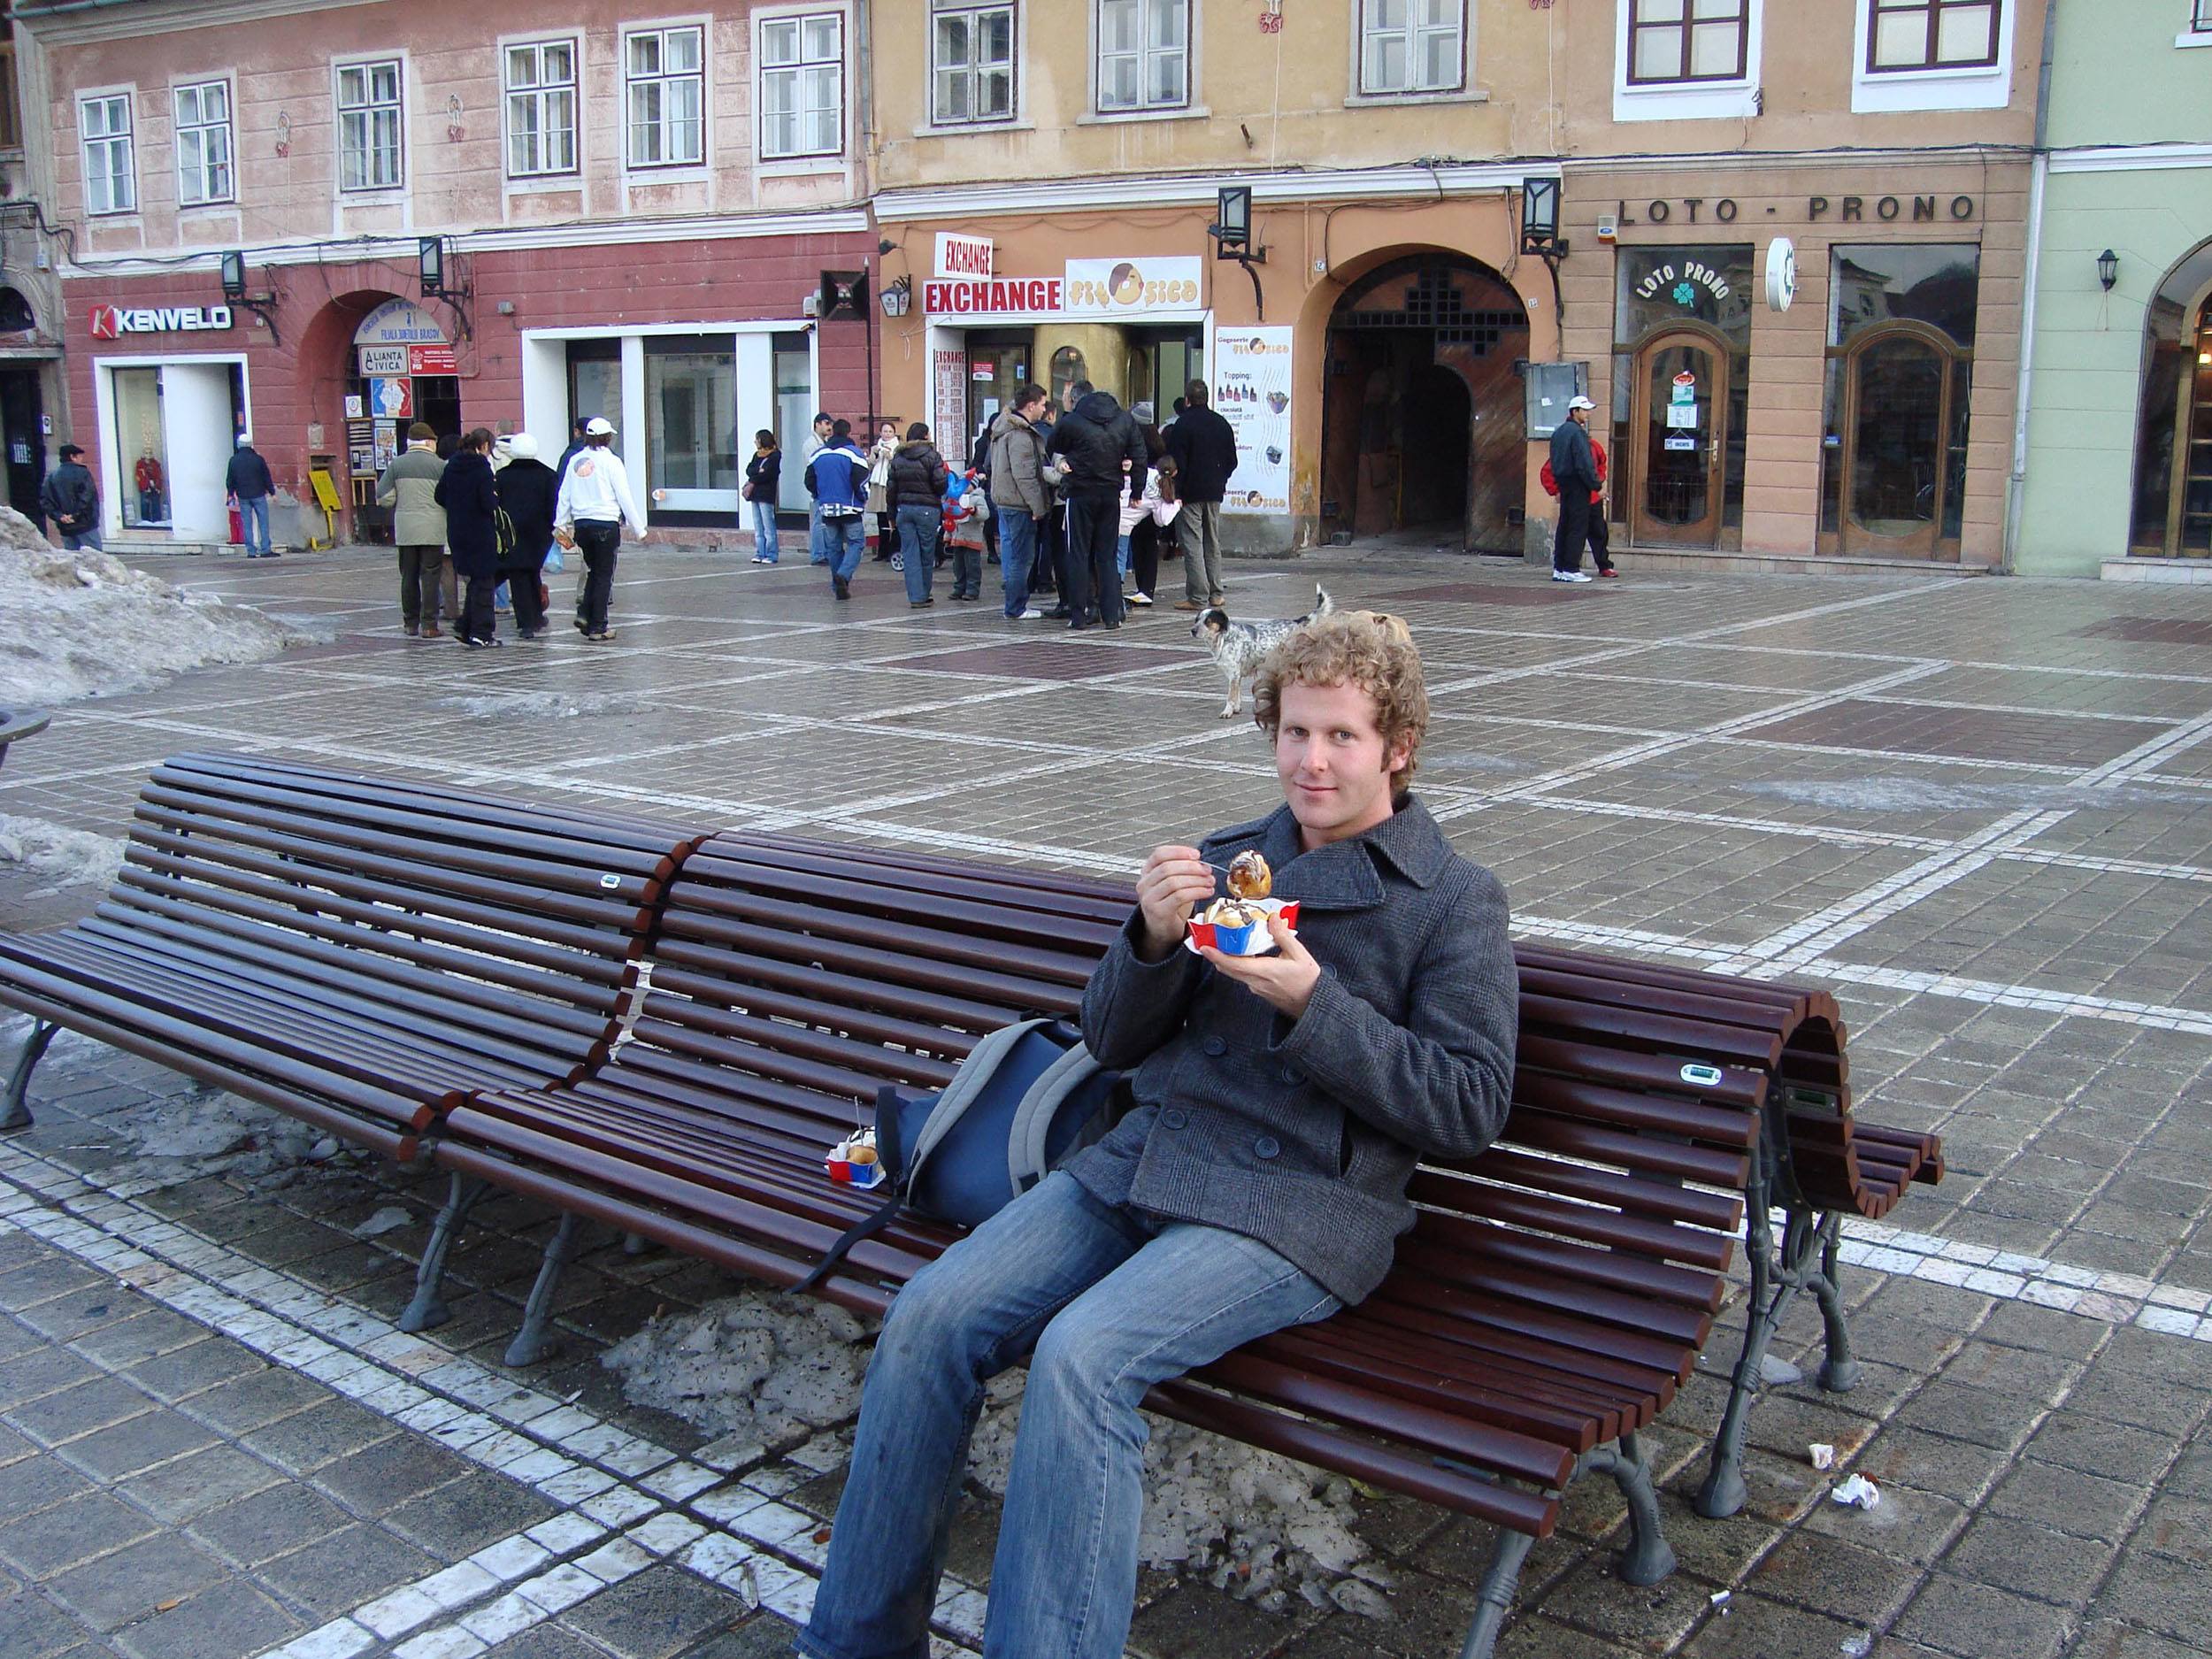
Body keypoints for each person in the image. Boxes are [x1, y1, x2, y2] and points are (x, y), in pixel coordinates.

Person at [800, 611, 1517, 1659]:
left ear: (1397, 748)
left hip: (1300, 1204)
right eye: (1294, 733)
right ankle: (852, 1645)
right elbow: (1110, 1040)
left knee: (1083, 1360)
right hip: (1142, 1164)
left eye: (1342, 738)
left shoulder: (1452, 903)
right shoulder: (1227, 862)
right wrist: (1145, 938)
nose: (1312, 762)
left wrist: (1313, 1002)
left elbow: (1466, 1107)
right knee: (929, 1315)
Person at [1047, 380, 1147, 632]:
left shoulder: (1073, 420)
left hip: (1080, 492)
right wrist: (1136, 490)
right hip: (1111, 493)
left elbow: (1053, 445)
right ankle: (1111, 615)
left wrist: (1065, 462)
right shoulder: (1124, 420)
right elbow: (1139, 454)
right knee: (1107, 556)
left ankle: (1079, 615)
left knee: (1077, 554)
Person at [554, 415, 646, 641]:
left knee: (594, 571)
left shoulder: (576, 460)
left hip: (582, 525)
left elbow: (564, 494)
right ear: (607, 438)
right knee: (604, 575)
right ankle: (598, 625)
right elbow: (623, 495)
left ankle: (586, 613)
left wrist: (560, 522)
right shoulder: (612, 462)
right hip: (606, 523)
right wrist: (639, 527)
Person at [1165, 380, 1236, 611]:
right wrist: (1220, 478)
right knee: (1212, 541)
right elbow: (1231, 461)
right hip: (1214, 491)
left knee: (1192, 542)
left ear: (1187, 400)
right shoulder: (1221, 423)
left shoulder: (1182, 425)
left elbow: (1177, 462)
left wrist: (1179, 487)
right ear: (1206, 398)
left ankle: (1197, 596)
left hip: (1190, 492)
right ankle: (1217, 594)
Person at [988, 382, 1052, 621]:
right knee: (1022, 559)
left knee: (1015, 555)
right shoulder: (1019, 435)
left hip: (1006, 500)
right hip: (1018, 503)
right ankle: (1015, 607)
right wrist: (1038, 506)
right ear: (1031, 405)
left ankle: (1014, 605)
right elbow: (1025, 475)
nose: (1044, 410)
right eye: (1043, 405)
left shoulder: (1004, 428)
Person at [377, 422, 448, 637]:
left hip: (406, 530)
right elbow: (449, 496)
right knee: (430, 576)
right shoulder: (441, 466)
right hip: (433, 528)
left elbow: (383, 497)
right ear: (428, 442)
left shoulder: (396, 465)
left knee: (408, 576)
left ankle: (410, 623)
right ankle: (429, 625)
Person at [434, 429, 503, 648]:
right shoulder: (482, 469)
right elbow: (488, 504)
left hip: (457, 530)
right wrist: (494, 498)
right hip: (480, 532)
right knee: (484, 582)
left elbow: (439, 495)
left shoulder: (452, 466)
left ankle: (466, 628)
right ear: (483, 446)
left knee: (474, 581)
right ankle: (481, 633)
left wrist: (457, 507)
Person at [495, 433, 560, 640]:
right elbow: (553, 506)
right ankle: (536, 616)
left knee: (518, 577)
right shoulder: (548, 474)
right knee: (533, 573)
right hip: (539, 533)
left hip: (512, 533)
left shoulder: (503, 475)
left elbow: (498, 505)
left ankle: (526, 623)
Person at [1540, 423, 1617, 581]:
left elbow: (1601, 466)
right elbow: (1549, 471)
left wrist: (1598, 482)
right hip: (1578, 495)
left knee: (1598, 531)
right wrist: (1556, 490)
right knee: (1573, 530)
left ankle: (1603, 565)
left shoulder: (1595, 447)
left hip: (1591, 496)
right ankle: (1568, 567)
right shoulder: (1569, 451)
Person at [804, 418, 871, 601]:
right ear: (849, 433)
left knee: (833, 548)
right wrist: (862, 498)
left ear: (832, 432)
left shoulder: (818, 454)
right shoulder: (854, 454)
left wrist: (820, 495)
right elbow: (862, 481)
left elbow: (809, 481)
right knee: (856, 543)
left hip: (827, 508)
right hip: (850, 507)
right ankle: (843, 574)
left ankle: (837, 585)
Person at [887, 422, 949, 609]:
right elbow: (940, 485)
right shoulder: (932, 456)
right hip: (927, 510)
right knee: (926, 552)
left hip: (904, 510)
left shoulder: (898, 457)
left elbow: (891, 489)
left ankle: (915, 596)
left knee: (910, 553)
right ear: (924, 436)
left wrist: (891, 514)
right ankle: (924, 593)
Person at [1548, 396, 1601, 584]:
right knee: (1577, 527)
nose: (1587, 414)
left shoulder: (1559, 432)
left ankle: (1559, 567)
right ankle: (1571, 568)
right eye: (1584, 410)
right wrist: (1595, 484)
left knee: (1564, 525)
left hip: (1564, 483)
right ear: (1575, 412)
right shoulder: (1577, 434)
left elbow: (1554, 461)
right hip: (1579, 484)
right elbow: (1584, 463)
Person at [41, 443, 101, 551]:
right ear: (72, 457)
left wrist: (60, 516)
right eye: (80, 457)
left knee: (73, 559)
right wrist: (75, 516)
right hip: (85, 524)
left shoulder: (52, 476)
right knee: (96, 558)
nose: (82, 460)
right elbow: (87, 497)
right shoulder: (83, 473)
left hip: (65, 527)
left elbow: (46, 501)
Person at [225, 435, 277, 558]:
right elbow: (266, 477)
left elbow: (229, 480)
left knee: (247, 523)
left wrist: (231, 494)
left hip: (243, 496)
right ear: (250, 444)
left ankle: (251, 551)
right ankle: (265, 549)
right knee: (263, 522)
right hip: (259, 494)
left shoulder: (234, 460)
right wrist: (272, 492)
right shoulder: (258, 459)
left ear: (239, 444)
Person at [942, 468, 987, 602]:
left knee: (972, 565)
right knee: (958, 565)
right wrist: (948, 533)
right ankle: (959, 587)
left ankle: (972, 589)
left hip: (973, 538)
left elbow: (985, 515)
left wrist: (975, 512)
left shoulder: (978, 499)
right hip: (958, 538)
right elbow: (950, 518)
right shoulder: (955, 499)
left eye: (967, 484)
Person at [744, 429, 783, 565]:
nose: (755, 442)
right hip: (755, 495)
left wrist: (756, 476)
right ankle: (760, 553)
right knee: (758, 527)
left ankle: (771, 554)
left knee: (768, 526)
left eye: (757, 439)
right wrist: (757, 472)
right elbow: (749, 470)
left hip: (766, 495)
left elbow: (768, 475)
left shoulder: (775, 455)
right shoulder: (757, 455)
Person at [802, 411, 836, 565]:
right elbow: (813, 467)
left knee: (824, 522)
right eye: (827, 423)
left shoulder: (824, 442)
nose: (830, 427)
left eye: (831, 424)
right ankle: (818, 554)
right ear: (818, 424)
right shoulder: (811, 443)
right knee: (818, 521)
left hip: (826, 487)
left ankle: (825, 552)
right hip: (818, 486)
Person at [864, 419, 900, 565]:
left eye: (890, 431)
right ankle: (881, 551)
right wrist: (874, 454)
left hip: (889, 485)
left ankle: (892, 550)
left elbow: (898, 466)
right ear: (880, 433)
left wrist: (890, 457)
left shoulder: (898, 448)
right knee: (880, 519)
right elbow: (870, 465)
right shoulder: (876, 447)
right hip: (877, 485)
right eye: (885, 431)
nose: (887, 434)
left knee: (890, 518)